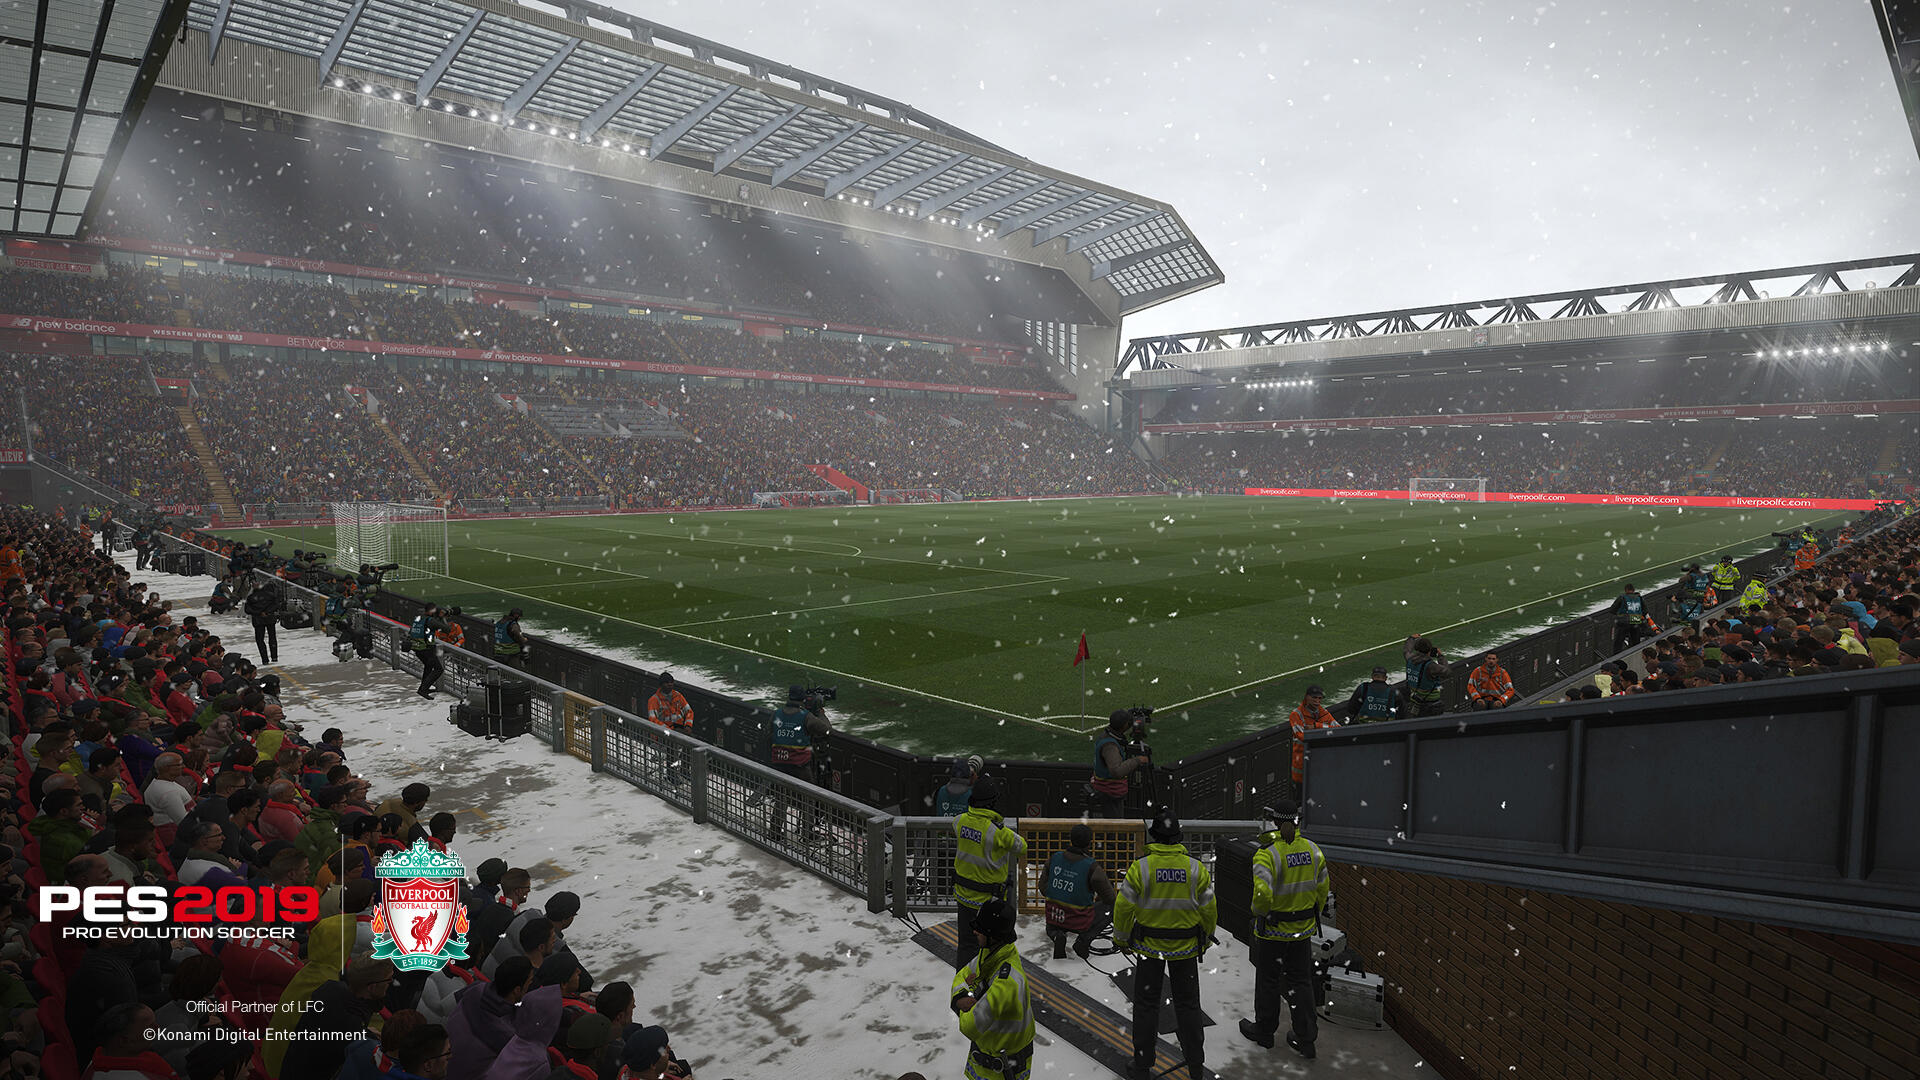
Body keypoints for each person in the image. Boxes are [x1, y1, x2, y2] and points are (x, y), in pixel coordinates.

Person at [1113, 808, 1214, 1078]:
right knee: (1188, 1004)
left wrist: (1121, 937)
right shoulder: (1195, 869)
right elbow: (1209, 908)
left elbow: (1123, 907)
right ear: (1178, 836)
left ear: (1153, 836)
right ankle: (1195, 1064)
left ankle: (1143, 1064)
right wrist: (1204, 937)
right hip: (1185, 950)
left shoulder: (1141, 868)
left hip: (1148, 949)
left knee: (1146, 1005)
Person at [1239, 799, 1330, 1061]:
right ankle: (1306, 1039)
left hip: (1273, 933)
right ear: (1297, 821)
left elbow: (1262, 894)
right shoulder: (1314, 850)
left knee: (1268, 980)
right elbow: (1323, 888)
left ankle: (1265, 1033)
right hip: (1302, 932)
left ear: (1275, 822)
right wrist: (1308, 915)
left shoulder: (1267, 853)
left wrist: (1259, 913)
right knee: (1301, 982)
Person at [948, 898, 1035, 1080]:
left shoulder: (1008, 982)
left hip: (1003, 1072)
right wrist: (960, 997)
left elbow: (970, 1026)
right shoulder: (991, 953)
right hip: (987, 1062)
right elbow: (962, 975)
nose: (974, 931)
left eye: (980, 929)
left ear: (993, 934)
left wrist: (966, 1007)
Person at [952, 776, 1024, 971]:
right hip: (988, 902)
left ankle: (963, 988)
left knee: (967, 944)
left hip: (963, 896)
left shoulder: (959, 821)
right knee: (993, 946)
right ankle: (988, 988)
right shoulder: (998, 832)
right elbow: (1021, 847)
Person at [767, 685, 831, 840]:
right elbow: (826, 730)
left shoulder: (777, 714)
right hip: (800, 765)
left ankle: (774, 832)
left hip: (780, 764)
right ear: (802, 699)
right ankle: (807, 834)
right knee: (809, 797)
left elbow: (768, 733)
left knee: (782, 797)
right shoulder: (805, 716)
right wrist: (820, 713)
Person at [1041, 824, 1114, 960]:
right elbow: (1110, 898)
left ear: (1071, 840)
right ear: (1089, 843)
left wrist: (1062, 895)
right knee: (1113, 907)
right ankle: (1083, 941)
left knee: (1057, 912)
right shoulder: (1091, 867)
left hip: (1054, 917)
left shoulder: (1054, 858)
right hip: (1079, 922)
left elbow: (1042, 888)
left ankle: (1055, 933)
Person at [1087, 710, 1149, 819]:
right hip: (1109, 793)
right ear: (1124, 725)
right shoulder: (1110, 745)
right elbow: (1117, 771)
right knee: (1114, 829)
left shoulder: (1106, 735)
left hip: (1105, 790)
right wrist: (1137, 760)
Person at [1287, 686, 1338, 798]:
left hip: (1320, 767)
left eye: (1320, 698)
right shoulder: (1296, 714)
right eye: (1314, 698)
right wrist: (1325, 729)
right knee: (1300, 802)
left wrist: (1317, 726)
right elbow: (1302, 736)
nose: (1317, 701)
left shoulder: (1323, 712)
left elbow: (1338, 730)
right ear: (1306, 697)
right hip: (1302, 770)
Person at [407, 604, 450, 699]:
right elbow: (447, 629)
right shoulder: (430, 621)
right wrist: (442, 618)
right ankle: (422, 690)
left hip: (416, 648)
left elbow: (413, 631)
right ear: (431, 611)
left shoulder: (418, 618)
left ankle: (424, 688)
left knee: (429, 666)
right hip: (427, 648)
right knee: (439, 669)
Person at [1402, 636, 1448, 717]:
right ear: (1429, 650)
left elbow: (1406, 650)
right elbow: (1446, 672)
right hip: (1431, 705)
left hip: (1415, 702)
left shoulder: (1410, 659)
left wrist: (1411, 639)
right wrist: (1440, 656)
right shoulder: (1431, 666)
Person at [245, 575, 285, 663]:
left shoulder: (251, 597)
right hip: (269, 617)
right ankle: (274, 657)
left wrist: (258, 612)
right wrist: (267, 612)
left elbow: (247, 610)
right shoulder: (270, 595)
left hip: (258, 620)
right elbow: (276, 605)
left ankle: (265, 659)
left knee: (260, 640)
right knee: (272, 637)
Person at [1610, 583, 1650, 654]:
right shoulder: (1639, 598)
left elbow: (1612, 610)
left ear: (1626, 590)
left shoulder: (1622, 597)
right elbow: (1645, 611)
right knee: (1635, 642)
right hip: (1636, 620)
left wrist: (1620, 615)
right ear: (1634, 590)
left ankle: (1616, 659)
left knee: (1618, 643)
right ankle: (1634, 654)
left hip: (1624, 621)